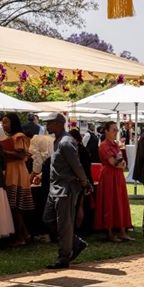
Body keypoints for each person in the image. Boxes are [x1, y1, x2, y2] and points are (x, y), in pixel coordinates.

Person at [42, 113, 90, 269]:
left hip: (66, 189)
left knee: (64, 225)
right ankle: (76, 243)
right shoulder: (58, 141)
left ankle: (63, 258)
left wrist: (84, 182)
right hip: (54, 189)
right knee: (48, 219)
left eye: (49, 123)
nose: (47, 126)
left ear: (57, 123)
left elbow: (77, 165)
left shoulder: (66, 142)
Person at [94, 121, 134, 242]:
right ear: (106, 131)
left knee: (121, 201)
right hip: (109, 176)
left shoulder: (115, 144)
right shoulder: (104, 145)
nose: (116, 132)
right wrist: (121, 164)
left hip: (118, 175)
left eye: (117, 130)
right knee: (109, 202)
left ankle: (122, 231)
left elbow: (121, 161)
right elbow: (113, 162)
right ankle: (110, 232)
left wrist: (122, 164)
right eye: (113, 130)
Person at [0, 113, 34, 245]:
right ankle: (25, 234)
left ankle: (19, 237)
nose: (4, 125)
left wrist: (4, 152)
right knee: (14, 206)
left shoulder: (19, 136)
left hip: (16, 172)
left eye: (7, 122)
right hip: (13, 170)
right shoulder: (13, 137)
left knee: (16, 206)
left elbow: (20, 155)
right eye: (3, 123)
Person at [68, 129, 95, 239]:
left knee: (80, 205)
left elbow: (82, 169)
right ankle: (79, 229)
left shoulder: (79, 151)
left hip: (82, 181)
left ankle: (78, 230)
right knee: (80, 205)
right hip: (83, 180)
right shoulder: (80, 149)